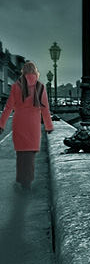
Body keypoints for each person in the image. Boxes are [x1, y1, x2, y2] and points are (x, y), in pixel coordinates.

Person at [0, 61, 54, 191]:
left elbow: (8, 108)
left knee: (21, 153)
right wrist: (48, 126)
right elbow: (45, 109)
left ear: (23, 72)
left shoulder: (16, 86)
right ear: (35, 72)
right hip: (33, 124)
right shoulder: (40, 87)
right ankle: (28, 181)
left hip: (19, 122)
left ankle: (21, 178)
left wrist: (1, 124)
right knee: (30, 154)